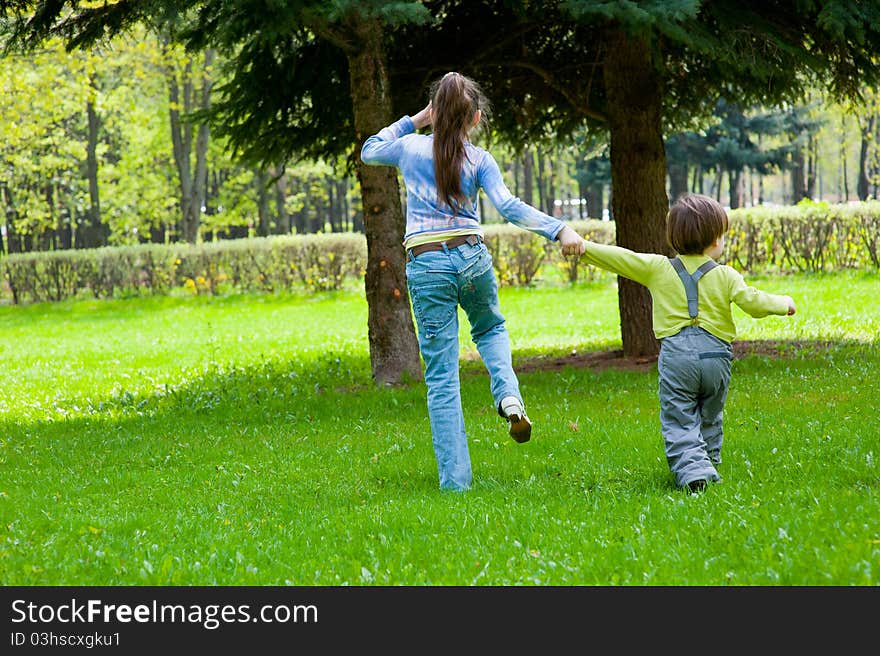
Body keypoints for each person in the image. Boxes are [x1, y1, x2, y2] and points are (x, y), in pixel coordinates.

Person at [360, 71, 584, 492]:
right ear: (476, 119)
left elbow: (370, 150)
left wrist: (416, 120)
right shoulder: (480, 160)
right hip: (471, 257)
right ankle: (509, 397)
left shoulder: (410, 148)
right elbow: (509, 207)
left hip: (426, 264)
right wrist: (560, 230)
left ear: (436, 114)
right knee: (491, 328)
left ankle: (456, 485)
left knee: (443, 378)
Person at [577, 193, 796, 493]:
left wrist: (583, 248)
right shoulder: (727, 276)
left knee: (680, 415)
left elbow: (621, 259)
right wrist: (784, 304)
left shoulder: (658, 268)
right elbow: (754, 303)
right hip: (717, 358)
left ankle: (694, 471)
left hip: (677, 357)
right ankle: (708, 461)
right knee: (710, 414)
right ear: (714, 240)